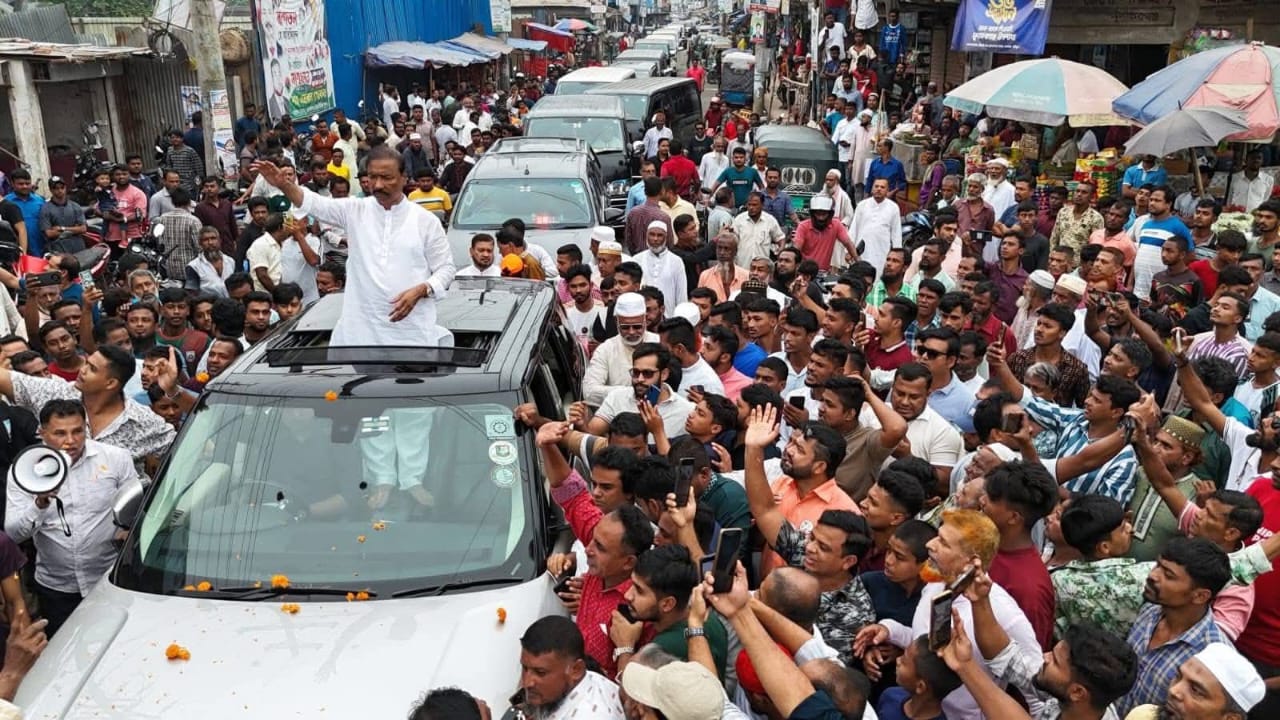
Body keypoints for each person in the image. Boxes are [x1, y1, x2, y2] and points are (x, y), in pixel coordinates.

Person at [251, 146, 456, 346]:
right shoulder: (355, 209)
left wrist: (421, 290)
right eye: (373, 177)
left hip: (412, 333)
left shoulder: (425, 221)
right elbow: (315, 204)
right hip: (360, 335)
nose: (377, 185)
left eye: (386, 178)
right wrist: (284, 185)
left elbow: (446, 269)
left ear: (404, 178)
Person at [5, 399, 137, 636]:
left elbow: (134, 505)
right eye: (60, 433)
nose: (70, 440)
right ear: (42, 433)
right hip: (56, 588)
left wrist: (129, 528)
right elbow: (14, 534)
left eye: (77, 431)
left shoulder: (116, 458)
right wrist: (39, 504)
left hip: (108, 579)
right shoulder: (24, 470)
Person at [516, 615, 625, 719]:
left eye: (540, 673)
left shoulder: (591, 715)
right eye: (525, 668)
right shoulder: (584, 680)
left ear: (576, 670)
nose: (526, 683)